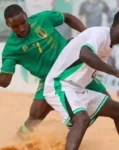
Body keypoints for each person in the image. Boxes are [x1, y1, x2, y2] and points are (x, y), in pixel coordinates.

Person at [44, 9, 119, 150]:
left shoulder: (108, 44)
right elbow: (85, 53)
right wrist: (115, 72)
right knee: (81, 119)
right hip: (59, 84)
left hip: (76, 89)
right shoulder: (100, 34)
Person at [1, 4, 86, 136]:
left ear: (25, 15)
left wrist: (87, 33)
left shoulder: (43, 18)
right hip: (49, 79)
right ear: (8, 24)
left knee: (109, 107)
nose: (21, 28)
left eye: (23, 22)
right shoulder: (11, 49)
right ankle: (14, 145)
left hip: (70, 65)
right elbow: (5, 81)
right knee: (34, 116)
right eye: (15, 27)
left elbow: (68, 17)